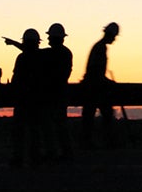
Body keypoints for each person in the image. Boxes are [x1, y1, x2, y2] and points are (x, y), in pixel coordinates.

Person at [81, 22, 121, 148]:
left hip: (93, 86)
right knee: (104, 115)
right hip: (95, 88)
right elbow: (96, 71)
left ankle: (88, 142)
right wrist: (107, 82)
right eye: (114, 36)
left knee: (90, 116)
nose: (114, 39)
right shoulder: (101, 48)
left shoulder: (99, 47)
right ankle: (107, 142)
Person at [7, 28, 43, 168]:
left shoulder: (22, 58)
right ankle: (35, 158)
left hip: (23, 99)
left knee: (20, 130)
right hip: (37, 100)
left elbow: (17, 78)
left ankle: (18, 158)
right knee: (34, 130)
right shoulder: (41, 57)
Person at [42, 23, 75, 160]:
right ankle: (65, 152)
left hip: (53, 94)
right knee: (61, 125)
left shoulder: (51, 54)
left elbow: (31, 52)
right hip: (61, 93)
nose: (48, 40)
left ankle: (54, 153)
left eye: (50, 37)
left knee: (51, 125)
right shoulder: (66, 53)